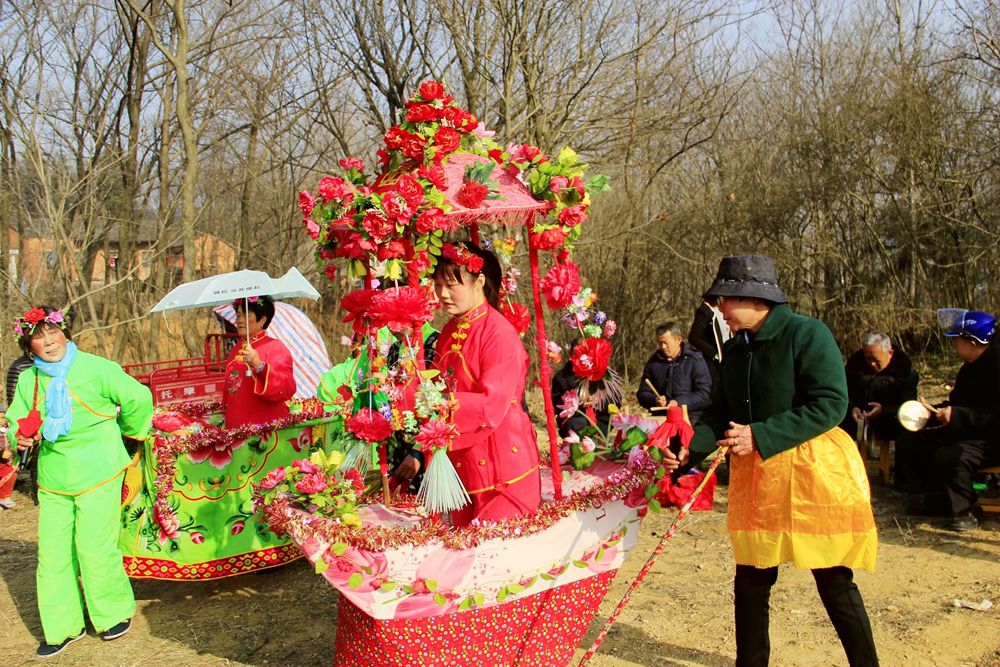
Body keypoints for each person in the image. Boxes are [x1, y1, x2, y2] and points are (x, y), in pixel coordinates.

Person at [677, 255, 879, 667]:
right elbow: (718, 413)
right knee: (751, 580)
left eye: (726, 301)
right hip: (760, 479)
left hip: (813, 474)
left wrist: (761, 434)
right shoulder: (734, 350)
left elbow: (831, 404)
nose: (720, 311)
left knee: (834, 581)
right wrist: (688, 447)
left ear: (755, 298)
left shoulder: (808, 334)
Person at [4, 305, 153, 658]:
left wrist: (129, 434)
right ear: (29, 348)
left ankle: (112, 613)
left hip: (99, 468)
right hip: (55, 478)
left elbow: (137, 398)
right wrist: (18, 437)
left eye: (52, 332)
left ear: (65, 333)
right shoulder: (29, 380)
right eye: (38, 337)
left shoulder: (96, 368)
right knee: (53, 555)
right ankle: (61, 627)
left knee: (94, 546)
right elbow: (14, 419)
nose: (48, 341)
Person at [418, 241, 541, 527]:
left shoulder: (498, 333)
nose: (443, 295)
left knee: (498, 558)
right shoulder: (450, 328)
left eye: (451, 285)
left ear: (479, 281)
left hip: (503, 469)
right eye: (438, 285)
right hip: (463, 466)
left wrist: (441, 407)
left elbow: (491, 404)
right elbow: (436, 384)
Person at [901, 309, 999, 531]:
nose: (954, 344)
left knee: (952, 455)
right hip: (973, 431)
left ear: (973, 342)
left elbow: (994, 417)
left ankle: (969, 510)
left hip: (993, 438)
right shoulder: (969, 368)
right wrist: (932, 411)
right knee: (912, 440)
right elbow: (959, 403)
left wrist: (957, 416)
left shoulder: (997, 366)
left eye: (957, 339)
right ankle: (934, 498)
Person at [223, 296, 296, 429]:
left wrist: (259, 366)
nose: (239, 320)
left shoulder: (276, 347)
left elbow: (287, 388)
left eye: (246, 316)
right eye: (238, 315)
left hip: (265, 428)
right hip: (235, 428)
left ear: (262, 319)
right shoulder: (236, 349)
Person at [636, 322, 712, 423]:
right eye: (660, 343)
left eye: (666, 342)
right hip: (662, 417)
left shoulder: (694, 360)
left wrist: (679, 402)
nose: (663, 347)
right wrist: (655, 400)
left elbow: (704, 393)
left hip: (690, 418)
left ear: (678, 340)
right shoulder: (653, 362)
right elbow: (642, 393)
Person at [688, 294, 730, 384]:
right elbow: (694, 337)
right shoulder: (705, 311)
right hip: (712, 362)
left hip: (727, 358)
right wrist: (713, 353)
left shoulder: (724, 309)